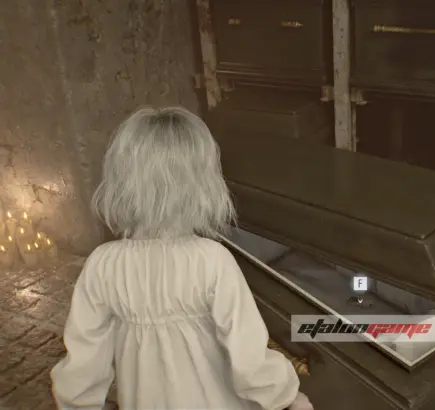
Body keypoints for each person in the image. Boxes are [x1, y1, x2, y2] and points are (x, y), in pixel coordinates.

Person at [50, 106, 314, 410]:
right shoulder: (213, 260)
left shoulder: (102, 265)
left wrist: (81, 404)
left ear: (120, 178)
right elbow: (250, 361)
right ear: (202, 182)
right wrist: (288, 397)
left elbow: (83, 363)